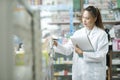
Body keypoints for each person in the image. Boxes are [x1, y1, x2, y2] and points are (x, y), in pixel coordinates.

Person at [53, 6, 109, 80]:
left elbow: (101, 55)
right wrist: (56, 44)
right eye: (83, 17)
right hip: (79, 74)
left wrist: (83, 53)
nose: (84, 20)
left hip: (94, 75)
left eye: (87, 18)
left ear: (95, 19)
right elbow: (67, 50)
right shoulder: (78, 33)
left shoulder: (102, 34)